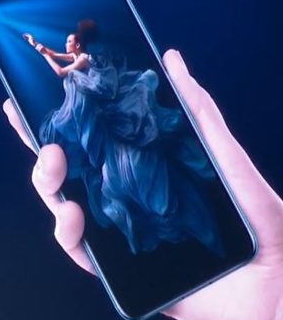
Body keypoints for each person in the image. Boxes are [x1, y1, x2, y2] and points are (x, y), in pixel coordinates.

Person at [2, 49, 283, 320]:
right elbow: (63, 69)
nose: (69, 43)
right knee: (128, 198)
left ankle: (204, 242)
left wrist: (275, 300)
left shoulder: (92, 64)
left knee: (163, 198)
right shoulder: (83, 85)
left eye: (71, 41)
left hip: (129, 128)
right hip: (115, 137)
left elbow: (79, 74)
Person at [21, 21, 222, 255]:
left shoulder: (83, 59)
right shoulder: (77, 58)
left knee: (135, 172)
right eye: (66, 41)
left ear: (77, 44)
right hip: (103, 121)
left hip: (114, 114)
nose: (65, 44)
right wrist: (36, 45)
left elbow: (59, 71)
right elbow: (53, 54)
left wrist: (46, 55)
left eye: (69, 41)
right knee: (117, 179)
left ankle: (177, 219)